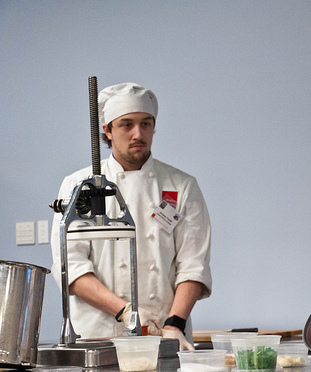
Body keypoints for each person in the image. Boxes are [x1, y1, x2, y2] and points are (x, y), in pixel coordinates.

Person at [51, 82, 212, 351]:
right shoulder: (79, 185)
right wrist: (125, 311)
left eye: (146, 124)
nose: (139, 134)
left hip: (165, 334)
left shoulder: (182, 185)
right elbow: (73, 268)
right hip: (97, 337)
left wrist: (174, 324)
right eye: (127, 124)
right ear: (107, 130)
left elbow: (193, 264)